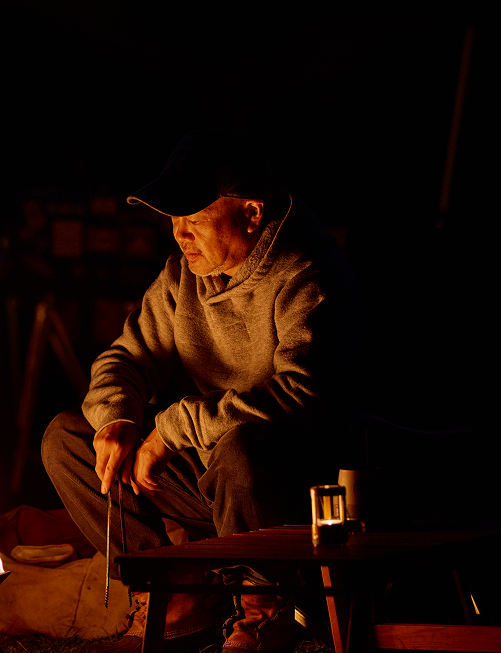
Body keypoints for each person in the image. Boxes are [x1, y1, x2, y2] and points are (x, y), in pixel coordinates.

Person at [42, 127, 367, 653]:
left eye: (193, 220)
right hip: (211, 477)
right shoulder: (184, 277)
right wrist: (118, 420)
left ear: (251, 214)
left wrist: (171, 429)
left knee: (240, 450)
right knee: (67, 439)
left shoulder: (309, 275)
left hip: (300, 485)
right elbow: (126, 356)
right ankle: (178, 592)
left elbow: (303, 395)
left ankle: (265, 610)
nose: (179, 235)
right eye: (173, 220)